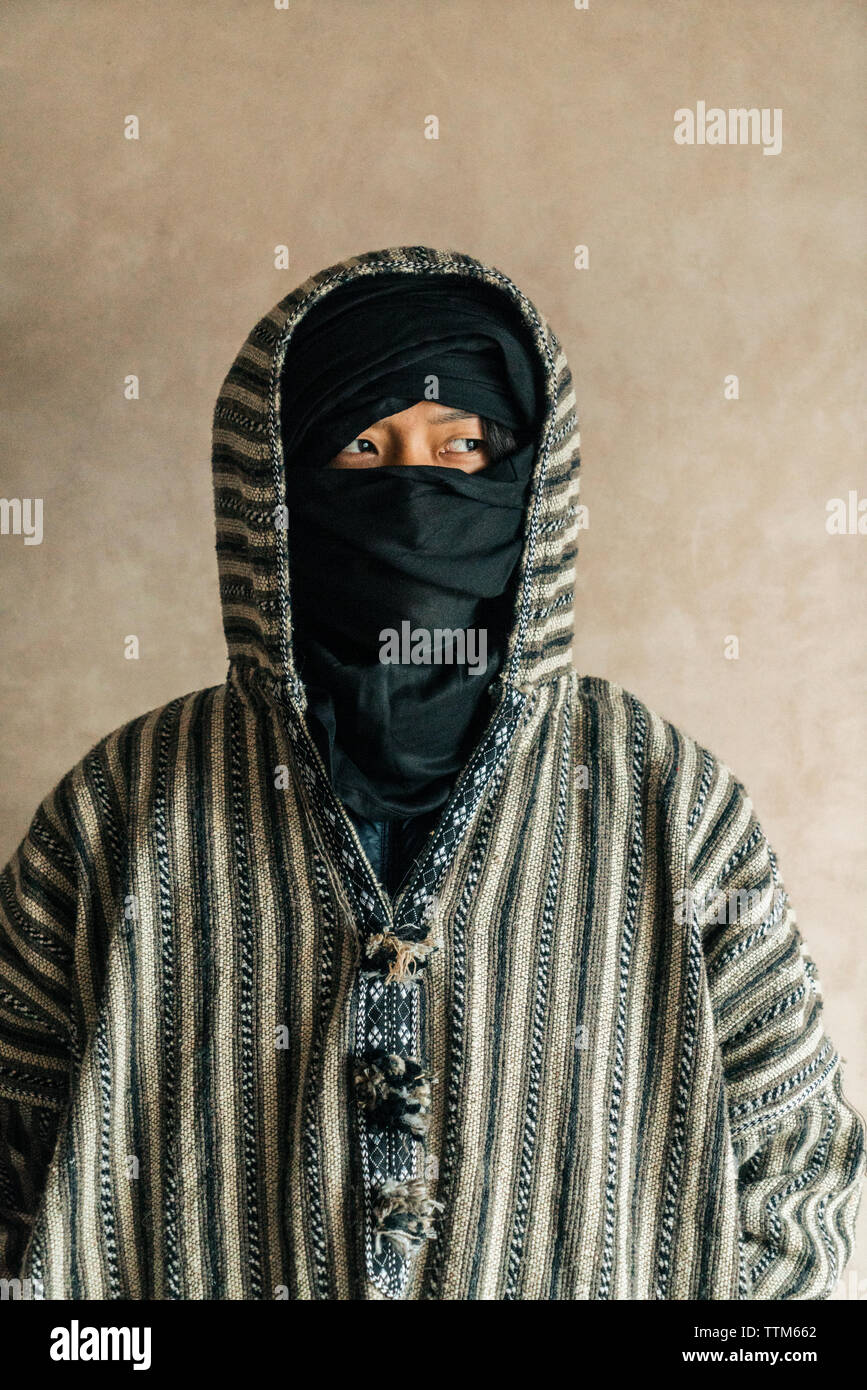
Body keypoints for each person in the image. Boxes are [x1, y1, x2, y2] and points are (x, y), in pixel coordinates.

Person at [0, 244, 863, 1301]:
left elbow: (798, 1165)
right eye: (363, 444)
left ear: (534, 482)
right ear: (270, 482)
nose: (417, 496)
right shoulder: (124, 809)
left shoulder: (665, 801)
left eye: (466, 448)